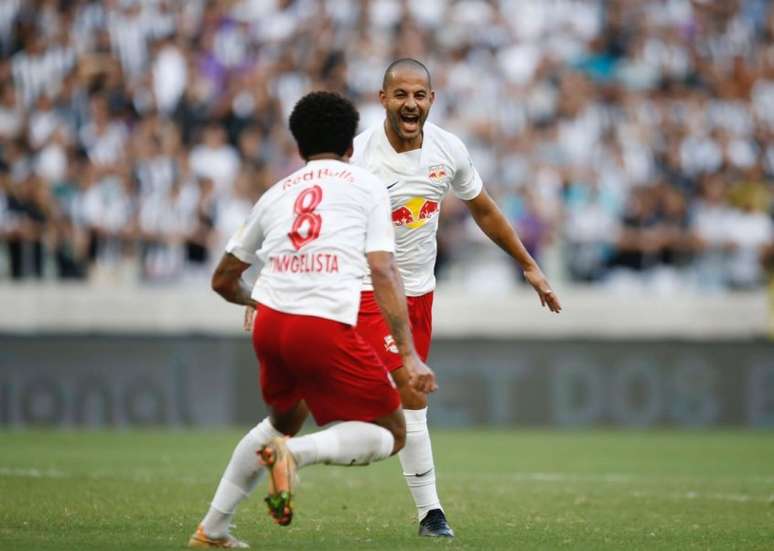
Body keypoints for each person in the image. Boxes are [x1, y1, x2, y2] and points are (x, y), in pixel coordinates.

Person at [188, 91, 437, 549]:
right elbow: (383, 269)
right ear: (350, 145)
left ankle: (213, 529)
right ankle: (294, 456)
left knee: (280, 421)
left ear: (298, 145)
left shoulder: (276, 193)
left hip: (271, 326)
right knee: (392, 431)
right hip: (320, 325)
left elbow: (223, 279)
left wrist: (258, 301)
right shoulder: (366, 186)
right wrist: (409, 354)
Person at [348, 58, 562, 537]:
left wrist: (528, 264)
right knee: (407, 394)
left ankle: (292, 450)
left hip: (420, 296)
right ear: (382, 99)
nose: (410, 104)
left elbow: (483, 210)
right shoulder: (359, 157)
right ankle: (431, 512)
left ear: (431, 100)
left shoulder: (449, 149)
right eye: (400, 94)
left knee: (403, 409)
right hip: (368, 290)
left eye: (419, 95)